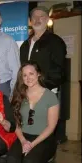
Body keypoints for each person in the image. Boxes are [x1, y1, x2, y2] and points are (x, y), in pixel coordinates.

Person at [19, 6, 67, 144]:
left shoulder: (56, 42)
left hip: (47, 91)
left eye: (41, 16)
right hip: (27, 93)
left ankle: (47, 160)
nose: (37, 19)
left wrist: (42, 87)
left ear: (47, 19)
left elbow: (59, 71)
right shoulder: (25, 45)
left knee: (48, 128)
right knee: (30, 125)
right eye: (34, 17)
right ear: (30, 20)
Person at [8, 61, 59, 163]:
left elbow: (51, 127)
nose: (28, 78)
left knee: (29, 162)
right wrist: (24, 141)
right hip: (24, 136)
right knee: (12, 161)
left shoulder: (50, 96)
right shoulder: (19, 95)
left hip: (44, 138)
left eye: (31, 73)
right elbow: (17, 124)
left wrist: (32, 144)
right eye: (24, 75)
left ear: (38, 74)